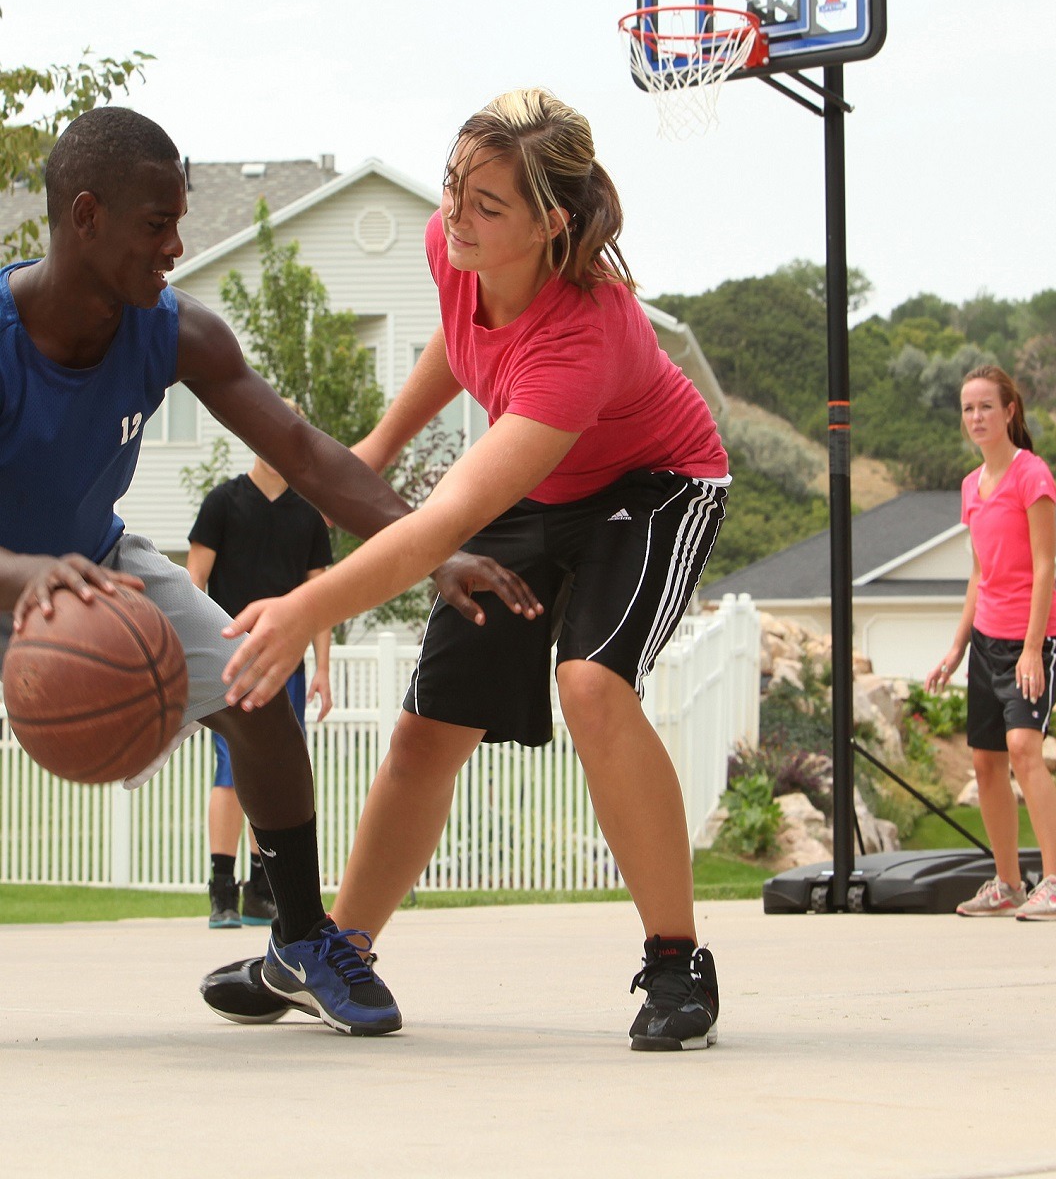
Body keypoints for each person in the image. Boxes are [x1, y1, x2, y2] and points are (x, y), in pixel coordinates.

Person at [202, 88, 730, 1051]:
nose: (458, 216)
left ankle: (675, 962)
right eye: (454, 190)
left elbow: (442, 524)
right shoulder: (454, 251)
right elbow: (462, 337)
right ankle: (335, 952)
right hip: (546, 479)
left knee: (592, 684)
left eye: (489, 205)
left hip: (652, 487)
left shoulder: (587, 333)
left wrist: (303, 608)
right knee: (423, 733)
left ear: (551, 222)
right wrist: (375, 448)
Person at [0, 106, 526, 1035]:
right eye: (155, 224)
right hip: (20, 573)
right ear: (85, 217)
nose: (176, 245)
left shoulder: (174, 332)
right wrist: (28, 578)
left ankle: (302, 939)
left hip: (96, 562)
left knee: (254, 688)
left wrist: (429, 547)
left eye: (181, 218)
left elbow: (308, 454)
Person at [925, 366, 1056, 921]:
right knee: (986, 761)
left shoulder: (1030, 476)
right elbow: (979, 574)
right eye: (968, 409)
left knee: (1022, 749)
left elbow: (1044, 569)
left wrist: (1034, 648)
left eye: (986, 406)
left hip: (1033, 640)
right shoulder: (972, 486)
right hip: (987, 639)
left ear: (1010, 411)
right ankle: (1008, 883)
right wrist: (957, 647)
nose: (976, 418)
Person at [188, 419, 334, 929]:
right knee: (231, 770)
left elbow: (319, 599)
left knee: (276, 771)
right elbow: (193, 581)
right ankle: (221, 891)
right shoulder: (223, 503)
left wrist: (323, 669)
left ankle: (259, 891)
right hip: (230, 661)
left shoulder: (308, 516)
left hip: (286, 665)